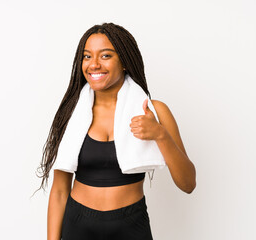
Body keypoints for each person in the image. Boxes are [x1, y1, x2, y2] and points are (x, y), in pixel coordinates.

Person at [35, 22, 196, 240]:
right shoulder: (72, 114)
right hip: (78, 224)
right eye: (87, 56)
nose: (94, 65)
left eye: (106, 56)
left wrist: (160, 135)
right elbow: (60, 190)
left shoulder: (154, 111)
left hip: (130, 225)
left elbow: (188, 184)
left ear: (125, 63)